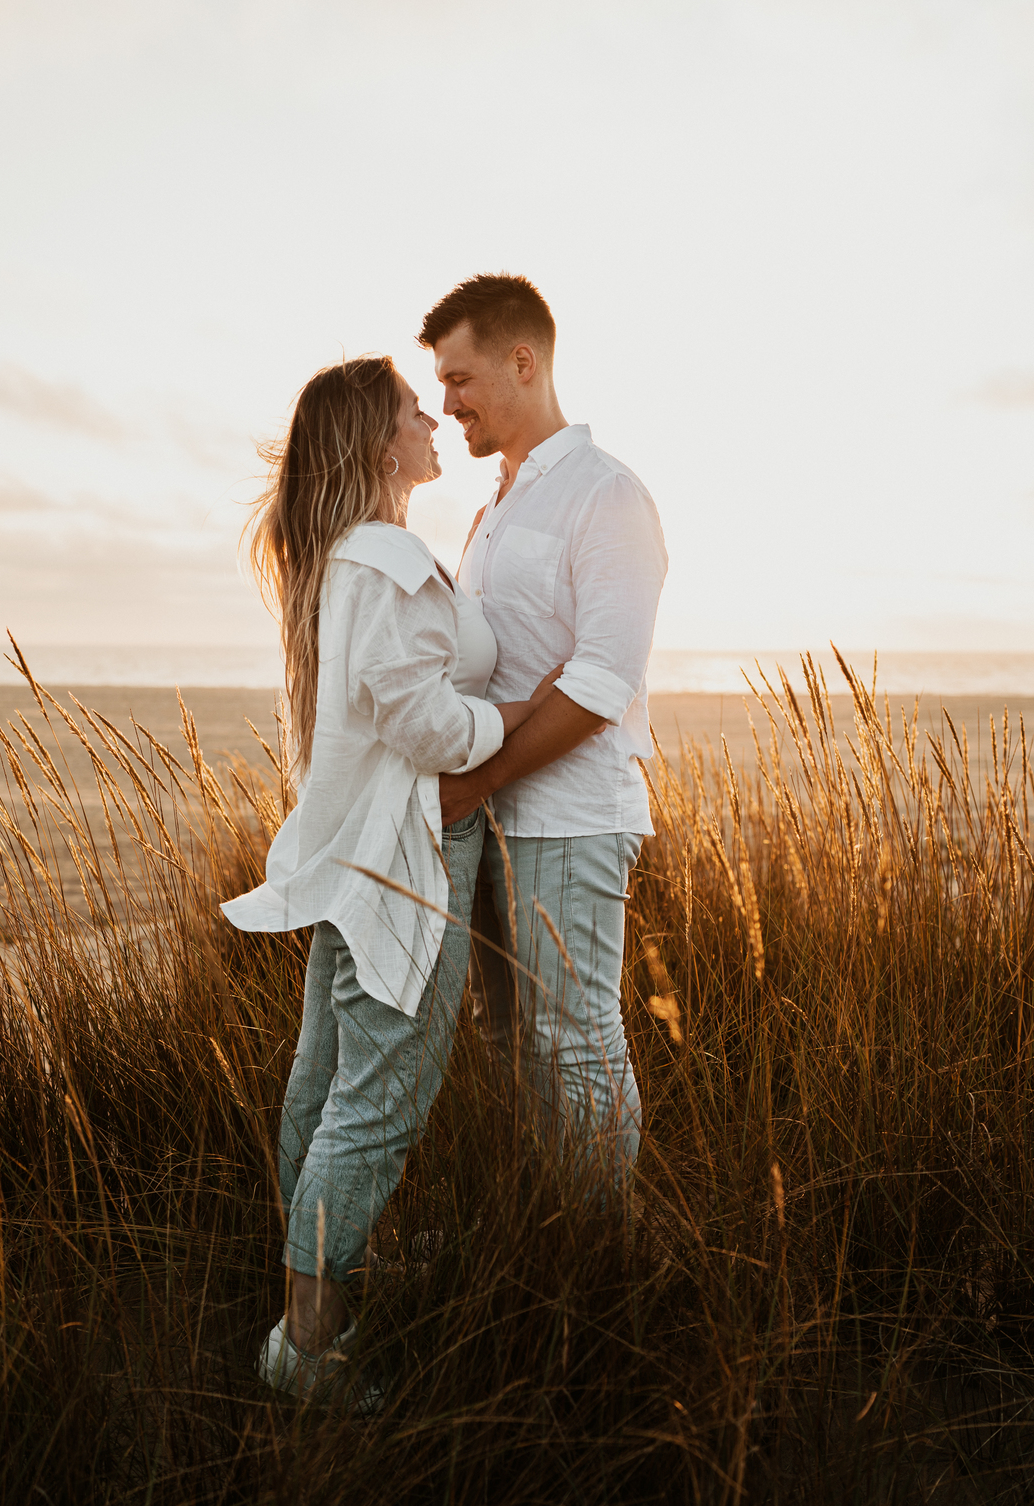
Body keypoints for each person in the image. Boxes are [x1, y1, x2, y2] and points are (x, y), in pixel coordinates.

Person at [222, 355, 563, 1399]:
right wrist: (516, 718)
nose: (431, 420)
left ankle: (316, 1300)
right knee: (376, 1101)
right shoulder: (385, 557)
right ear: (381, 444)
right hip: (409, 862)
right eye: (414, 411)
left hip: (361, 858)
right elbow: (417, 718)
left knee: (326, 1089)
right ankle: (311, 1351)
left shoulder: (352, 559)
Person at [417, 274, 668, 1193]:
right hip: (490, 819)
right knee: (504, 1034)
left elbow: (602, 682)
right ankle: (541, 1233)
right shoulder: (494, 507)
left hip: (566, 816)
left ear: (524, 362)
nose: (446, 406)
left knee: (577, 1038)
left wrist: (478, 781)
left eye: (460, 379)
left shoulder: (606, 497)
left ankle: (605, 1261)